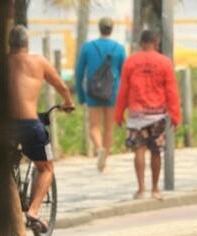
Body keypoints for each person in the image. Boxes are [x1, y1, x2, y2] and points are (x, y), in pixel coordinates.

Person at [7, 25, 75, 236]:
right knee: (46, 167)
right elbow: (62, 87)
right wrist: (67, 103)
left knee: (7, 174)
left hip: (4, 126)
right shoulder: (38, 61)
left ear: (10, 44)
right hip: (29, 124)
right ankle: (34, 211)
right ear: (27, 43)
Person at [114, 30, 182, 201]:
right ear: (156, 42)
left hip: (136, 114)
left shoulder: (131, 62)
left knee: (139, 150)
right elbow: (171, 90)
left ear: (140, 43)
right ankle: (155, 189)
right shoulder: (164, 62)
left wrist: (118, 113)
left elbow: (123, 90)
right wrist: (175, 115)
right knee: (156, 151)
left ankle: (141, 189)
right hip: (157, 115)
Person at [75, 17, 126, 172]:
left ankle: (99, 149)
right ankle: (105, 163)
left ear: (99, 28)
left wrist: (81, 95)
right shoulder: (120, 48)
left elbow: (78, 73)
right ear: (111, 29)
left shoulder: (88, 47)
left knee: (94, 127)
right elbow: (125, 74)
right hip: (112, 93)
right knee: (109, 128)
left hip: (93, 92)